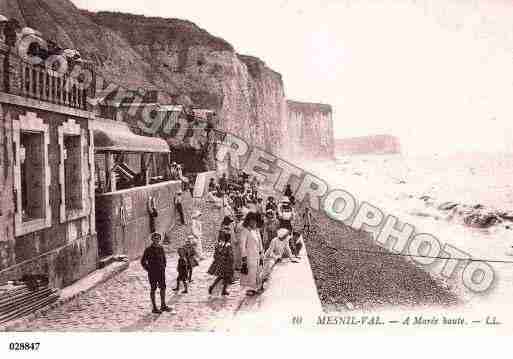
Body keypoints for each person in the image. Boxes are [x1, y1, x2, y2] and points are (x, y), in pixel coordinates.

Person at [140, 233, 174, 314]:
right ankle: (154, 307)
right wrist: (149, 269)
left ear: (159, 239)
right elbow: (143, 261)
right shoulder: (148, 249)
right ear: (152, 239)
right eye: (155, 238)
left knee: (163, 288)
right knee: (153, 289)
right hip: (152, 273)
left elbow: (164, 259)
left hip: (161, 272)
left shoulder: (161, 248)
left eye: (158, 238)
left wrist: (163, 266)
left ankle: (163, 305)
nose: (157, 240)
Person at [208, 218, 234, 295]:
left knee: (223, 277)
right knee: (224, 276)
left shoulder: (221, 244)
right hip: (226, 264)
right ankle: (213, 287)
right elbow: (230, 256)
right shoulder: (228, 245)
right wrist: (231, 262)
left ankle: (222, 290)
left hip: (222, 262)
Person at [239, 212, 264, 296]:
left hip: (257, 255)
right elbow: (242, 245)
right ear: (248, 221)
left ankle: (257, 287)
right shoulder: (245, 231)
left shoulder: (256, 231)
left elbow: (260, 243)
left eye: (255, 221)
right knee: (251, 272)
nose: (253, 223)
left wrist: (261, 254)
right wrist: (244, 257)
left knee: (257, 271)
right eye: (251, 221)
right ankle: (250, 289)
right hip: (249, 255)